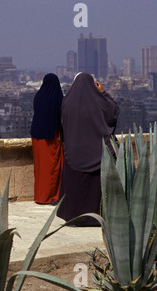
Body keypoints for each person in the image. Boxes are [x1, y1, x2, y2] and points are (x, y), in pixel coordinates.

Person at [57, 72, 120, 226]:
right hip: (97, 154)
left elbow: (63, 125)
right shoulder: (100, 102)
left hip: (74, 152)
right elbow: (114, 113)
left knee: (75, 187)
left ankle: (74, 216)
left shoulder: (67, 101)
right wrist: (103, 93)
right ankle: (96, 217)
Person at [30, 73, 63, 205]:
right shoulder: (57, 98)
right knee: (52, 167)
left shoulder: (38, 96)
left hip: (37, 137)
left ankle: (40, 196)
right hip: (51, 138)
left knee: (39, 169)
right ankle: (52, 196)